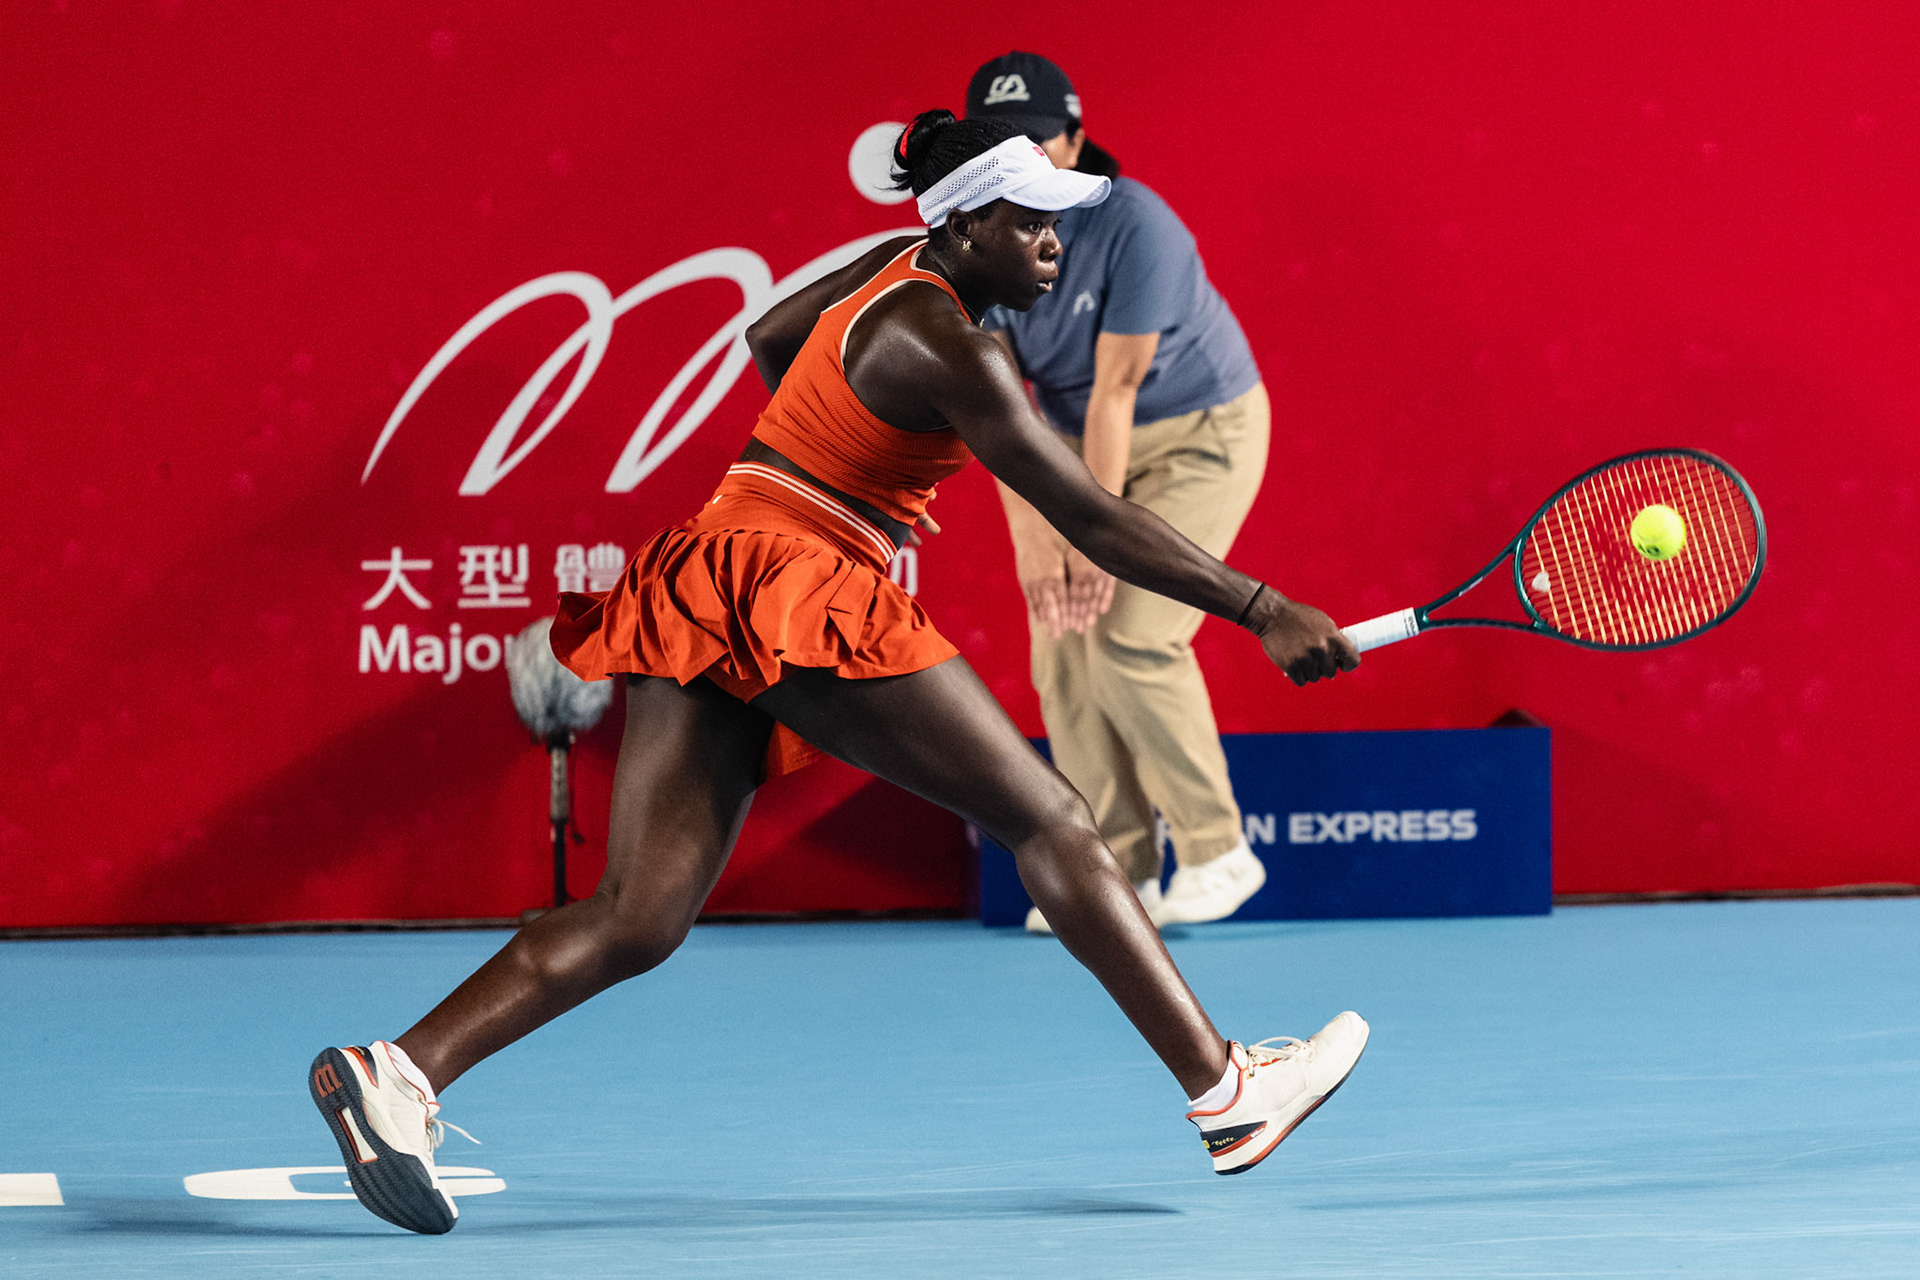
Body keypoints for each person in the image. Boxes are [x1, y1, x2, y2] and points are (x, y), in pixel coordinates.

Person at [307, 110, 1365, 1235]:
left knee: (639, 915)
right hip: (793, 580)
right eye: (1036, 221)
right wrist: (1262, 606)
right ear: (970, 223)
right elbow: (1093, 518)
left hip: (711, 559)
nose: (1058, 242)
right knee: (1054, 819)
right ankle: (1228, 1092)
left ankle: (398, 1072)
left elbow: (772, 339)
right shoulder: (961, 346)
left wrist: (862, 475)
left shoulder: (895, 268)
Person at [965, 52, 1274, 932]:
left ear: (1077, 138)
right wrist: (1038, 542)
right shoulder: (978, 239)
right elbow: (997, 407)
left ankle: (1219, 851)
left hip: (1197, 435)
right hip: (1066, 440)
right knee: (1063, 643)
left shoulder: (1140, 227)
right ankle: (1120, 875)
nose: (1028, 162)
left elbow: (1117, 389)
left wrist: (1091, 534)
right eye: (1002, 148)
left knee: (1135, 636)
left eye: (1041, 142)